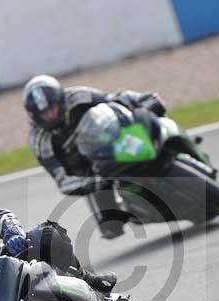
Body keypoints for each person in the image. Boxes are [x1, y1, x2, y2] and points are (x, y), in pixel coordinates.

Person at [22, 74, 167, 239]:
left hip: (114, 140)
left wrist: (144, 99)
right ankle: (129, 205)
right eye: (44, 113)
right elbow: (62, 180)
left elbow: (114, 99)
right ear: (34, 115)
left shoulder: (78, 96)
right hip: (92, 170)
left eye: (52, 108)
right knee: (110, 227)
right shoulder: (40, 141)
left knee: (150, 114)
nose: (51, 115)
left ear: (60, 100)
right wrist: (92, 182)